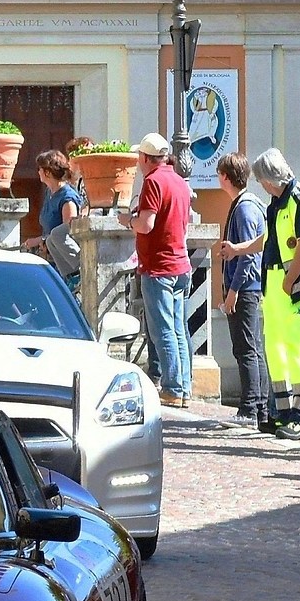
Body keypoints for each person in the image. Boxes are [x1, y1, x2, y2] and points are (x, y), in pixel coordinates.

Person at [128, 132, 197, 407]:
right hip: (181, 265)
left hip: (159, 267)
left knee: (163, 330)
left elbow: (146, 224)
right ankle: (184, 387)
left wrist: (128, 220)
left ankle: (172, 388)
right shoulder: (179, 181)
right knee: (179, 329)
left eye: (140, 157)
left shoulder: (153, 181)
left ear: (146, 158)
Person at [254, 149, 300, 439]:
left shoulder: (298, 200)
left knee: (294, 347)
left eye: (261, 180)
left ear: (270, 178)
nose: (261, 185)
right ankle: (282, 412)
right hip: (273, 281)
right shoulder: (276, 202)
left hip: (290, 285)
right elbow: (270, 240)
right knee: (274, 346)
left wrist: (290, 282)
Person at [213, 152, 271, 432]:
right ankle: (259, 408)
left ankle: (250, 408)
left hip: (246, 289)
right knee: (251, 348)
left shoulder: (245, 208)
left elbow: (248, 256)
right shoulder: (248, 204)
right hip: (247, 287)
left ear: (226, 176)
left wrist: (233, 291)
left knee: (246, 349)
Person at [27, 150, 85, 282]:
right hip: (52, 257)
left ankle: (75, 278)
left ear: (47, 172)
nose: (38, 172)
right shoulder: (49, 192)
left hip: (66, 262)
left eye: (39, 169)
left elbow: (68, 231)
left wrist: (39, 240)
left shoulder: (67, 197)